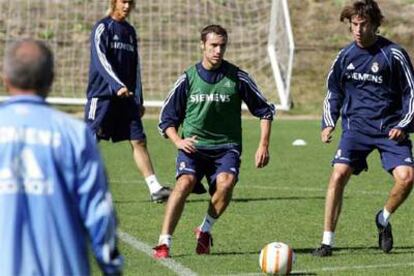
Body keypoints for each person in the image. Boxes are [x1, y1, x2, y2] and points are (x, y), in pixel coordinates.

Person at [0, 39, 123, 275]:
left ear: (5, 78)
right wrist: (111, 267)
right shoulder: (74, 134)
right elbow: (100, 211)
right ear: (51, 80)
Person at [152, 24, 275, 259]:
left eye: (222, 46)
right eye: (213, 46)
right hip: (194, 147)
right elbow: (166, 118)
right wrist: (177, 140)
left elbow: (265, 111)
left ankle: (204, 230)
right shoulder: (187, 78)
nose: (218, 51)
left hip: (226, 147)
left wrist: (264, 144)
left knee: (226, 184)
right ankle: (164, 242)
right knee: (184, 184)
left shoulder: (237, 77)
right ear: (202, 45)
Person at [313, 0, 414, 257]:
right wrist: (328, 122)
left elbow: (411, 94)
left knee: (407, 179)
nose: (357, 30)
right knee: (338, 175)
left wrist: (403, 125)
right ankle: (327, 242)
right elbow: (333, 92)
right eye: (353, 25)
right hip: (355, 129)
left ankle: (383, 218)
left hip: (390, 129)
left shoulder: (394, 55)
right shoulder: (345, 56)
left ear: (375, 24)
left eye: (363, 24)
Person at [84, 0, 171, 202]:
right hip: (103, 95)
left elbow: (136, 67)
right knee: (89, 140)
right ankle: (71, 186)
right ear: (113, 2)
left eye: (130, 3)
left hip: (127, 97)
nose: (126, 6)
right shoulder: (102, 27)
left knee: (138, 139)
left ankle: (155, 188)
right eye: (123, 2)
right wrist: (116, 85)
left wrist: (139, 98)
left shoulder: (130, 31)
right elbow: (100, 60)